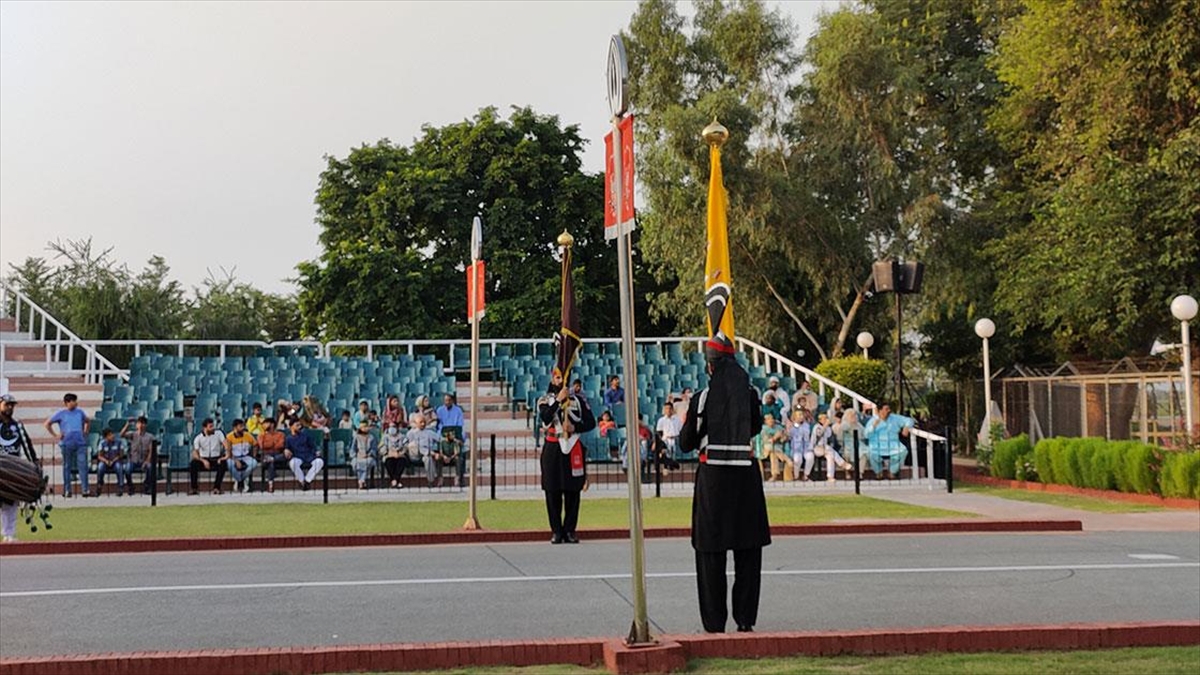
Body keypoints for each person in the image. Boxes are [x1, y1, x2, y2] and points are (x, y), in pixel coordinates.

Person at [678, 334, 770, 634]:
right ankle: (745, 620)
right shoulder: (750, 393)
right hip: (746, 478)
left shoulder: (702, 398)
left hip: (713, 480)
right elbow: (754, 427)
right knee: (748, 552)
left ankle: (714, 624)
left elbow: (686, 441)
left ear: (710, 366)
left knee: (710, 554)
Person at [538, 371, 595, 544]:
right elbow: (545, 417)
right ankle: (556, 531)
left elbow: (590, 422)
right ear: (551, 379)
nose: (560, 380)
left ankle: (570, 530)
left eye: (563, 377)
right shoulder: (544, 399)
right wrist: (558, 400)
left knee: (573, 491)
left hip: (572, 446)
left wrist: (575, 427)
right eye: (557, 377)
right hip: (553, 447)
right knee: (552, 490)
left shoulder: (578, 400)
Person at [0, 393, 39, 542]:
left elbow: (27, 445)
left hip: (11, 469)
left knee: (10, 503)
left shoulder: (18, 426)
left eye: (12, 405)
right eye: (7, 404)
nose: (10, 408)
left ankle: (9, 534)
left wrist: (34, 463)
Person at [44, 393, 90, 498]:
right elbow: (47, 423)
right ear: (67, 403)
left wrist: (85, 431)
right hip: (66, 443)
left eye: (75, 400)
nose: (75, 403)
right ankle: (67, 490)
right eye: (73, 401)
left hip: (80, 443)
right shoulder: (61, 413)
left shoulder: (80, 412)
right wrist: (56, 435)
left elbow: (88, 421)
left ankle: (85, 489)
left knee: (83, 466)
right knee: (67, 466)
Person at [863, 403, 914, 479]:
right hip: (877, 444)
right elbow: (866, 435)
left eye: (889, 409)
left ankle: (892, 471)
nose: (889, 411)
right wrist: (873, 426)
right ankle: (878, 473)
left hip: (893, 444)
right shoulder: (873, 420)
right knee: (871, 453)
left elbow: (909, 420)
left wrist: (906, 427)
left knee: (903, 451)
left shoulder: (894, 418)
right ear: (880, 411)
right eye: (886, 409)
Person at [188, 418, 227, 495]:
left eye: (213, 426)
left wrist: (224, 456)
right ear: (204, 428)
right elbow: (195, 453)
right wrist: (203, 460)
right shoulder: (198, 438)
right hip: (203, 459)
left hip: (216, 458)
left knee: (223, 464)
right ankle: (194, 488)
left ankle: (217, 487)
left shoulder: (219, 434)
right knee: (193, 464)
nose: (213, 428)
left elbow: (226, 445)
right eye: (210, 426)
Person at [809, 412, 850, 481]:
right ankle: (842, 463)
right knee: (829, 449)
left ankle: (830, 476)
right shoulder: (817, 427)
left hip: (825, 449)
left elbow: (829, 436)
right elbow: (819, 434)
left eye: (826, 418)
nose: (826, 420)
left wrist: (827, 427)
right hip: (816, 448)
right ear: (820, 420)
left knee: (830, 456)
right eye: (824, 419)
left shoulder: (828, 428)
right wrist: (825, 426)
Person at [120, 416, 156, 495]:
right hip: (133, 460)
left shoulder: (150, 436)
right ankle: (131, 486)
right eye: (139, 423)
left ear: (145, 425)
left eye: (143, 423)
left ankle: (147, 485)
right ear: (136, 425)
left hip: (144, 459)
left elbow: (151, 451)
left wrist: (147, 461)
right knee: (127, 469)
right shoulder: (133, 434)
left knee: (150, 468)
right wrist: (127, 424)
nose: (141, 425)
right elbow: (121, 435)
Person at [284, 419, 323, 490]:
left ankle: (307, 481)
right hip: (297, 456)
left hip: (309, 456)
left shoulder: (306, 436)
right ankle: (302, 481)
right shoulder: (288, 439)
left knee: (319, 462)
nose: (299, 427)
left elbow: (313, 447)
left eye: (300, 425)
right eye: (297, 425)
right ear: (291, 427)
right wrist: (286, 450)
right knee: (293, 463)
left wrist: (316, 452)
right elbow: (287, 448)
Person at [405, 415, 440, 486]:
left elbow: (440, 439)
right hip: (414, 455)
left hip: (425, 455)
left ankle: (431, 481)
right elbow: (404, 443)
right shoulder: (411, 433)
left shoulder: (430, 432)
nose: (423, 424)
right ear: (415, 423)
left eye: (424, 422)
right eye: (420, 422)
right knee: (415, 445)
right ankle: (429, 452)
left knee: (428, 459)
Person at [224, 418, 258, 493]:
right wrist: (236, 461)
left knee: (254, 463)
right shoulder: (229, 437)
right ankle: (240, 480)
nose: (242, 428)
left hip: (245, 456)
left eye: (243, 426)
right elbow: (228, 452)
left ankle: (240, 479)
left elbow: (255, 445)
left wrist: (254, 455)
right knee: (229, 464)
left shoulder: (247, 435)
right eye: (240, 426)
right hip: (233, 457)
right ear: (235, 428)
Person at [756, 413, 793, 482]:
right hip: (766, 450)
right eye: (769, 419)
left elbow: (784, 438)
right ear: (765, 421)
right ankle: (774, 475)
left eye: (772, 418)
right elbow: (767, 441)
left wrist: (782, 437)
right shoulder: (763, 429)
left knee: (775, 454)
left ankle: (786, 478)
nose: (771, 420)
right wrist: (775, 437)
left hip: (779, 449)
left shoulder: (779, 427)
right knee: (773, 452)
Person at [93, 428, 127, 496]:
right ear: (106, 437)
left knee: (118, 467)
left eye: (112, 434)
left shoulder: (119, 442)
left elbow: (121, 455)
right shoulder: (102, 443)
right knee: (100, 467)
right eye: (110, 435)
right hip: (105, 461)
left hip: (115, 461)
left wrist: (113, 461)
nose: (112, 436)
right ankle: (99, 485)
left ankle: (120, 487)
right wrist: (106, 461)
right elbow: (99, 456)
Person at [257, 417, 287, 494]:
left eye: (266, 424)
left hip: (278, 454)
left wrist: (270, 445)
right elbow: (262, 446)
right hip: (265, 455)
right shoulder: (261, 435)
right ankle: (271, 484)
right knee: (270, 462)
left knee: (283, 456)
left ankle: (270, 483)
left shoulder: (281, 434)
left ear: (272, 424)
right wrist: (273, 443)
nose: (264, 426)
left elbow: (280, 445)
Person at [833, 408, 867, 474]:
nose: (854, 416)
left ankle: (860, 473)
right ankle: (847, 472)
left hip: (859, 444)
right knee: (846, 454)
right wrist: (850, 423)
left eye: (854, 415)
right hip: (847, 445)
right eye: (851, 415)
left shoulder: (859, 425)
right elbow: (842, 431)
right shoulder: (845, 424)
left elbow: (864, 434)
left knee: (864, 454)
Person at [350, 420, 378, 490]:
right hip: (358, 456)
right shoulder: (356, 437)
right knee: (356, 462)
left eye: (366, 426)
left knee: (367, 462)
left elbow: (374, 449)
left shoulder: (371, 437)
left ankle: (361, 481)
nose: (365, 428)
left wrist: (368, 454)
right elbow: (353, 449)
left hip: (368, 456)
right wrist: (356, 455)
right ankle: (362, 481)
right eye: (363, 427)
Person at [787, 409, 812, 481]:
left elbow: (806, 436)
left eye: (802, 415)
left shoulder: (806, 425)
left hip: (806, 447)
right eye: (799, 415)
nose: (801, 417)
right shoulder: (791, 426)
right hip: (795, 448)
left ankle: (806, 475)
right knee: (797, 459)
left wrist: (801, 426)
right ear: (795, 417)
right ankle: (796, 476)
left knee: (810, 457)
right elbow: (789, 436)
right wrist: (790, 428)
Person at [381, 423, 408, 488]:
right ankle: (396, 481)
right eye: (390, 427)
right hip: (389, 455)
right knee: (389, 462)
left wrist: (400, 453)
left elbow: (406, 447)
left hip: (400, 455)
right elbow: (382, 448)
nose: (392, 428)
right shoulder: (385, 437)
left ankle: (394, 481)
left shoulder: (402, 437)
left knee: (401, 462)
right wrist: (388, 453)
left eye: (394, 426)